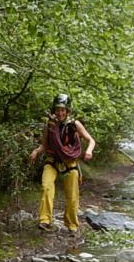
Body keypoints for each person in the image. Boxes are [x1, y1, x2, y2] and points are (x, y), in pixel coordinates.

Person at [29, 93, 95, 232]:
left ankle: (72, 225)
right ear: (54, 110)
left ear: (67, 110)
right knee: (46, 187)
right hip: (52, 161)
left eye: (62, 110)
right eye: (57, 110)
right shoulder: (50, 125)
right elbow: (44, 145)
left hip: (70, 163)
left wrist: (89, 151)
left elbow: (91, 140)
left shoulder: (75, 124)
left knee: (72, 197)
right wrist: (36, 151)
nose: (59, 113)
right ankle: (45, 220)